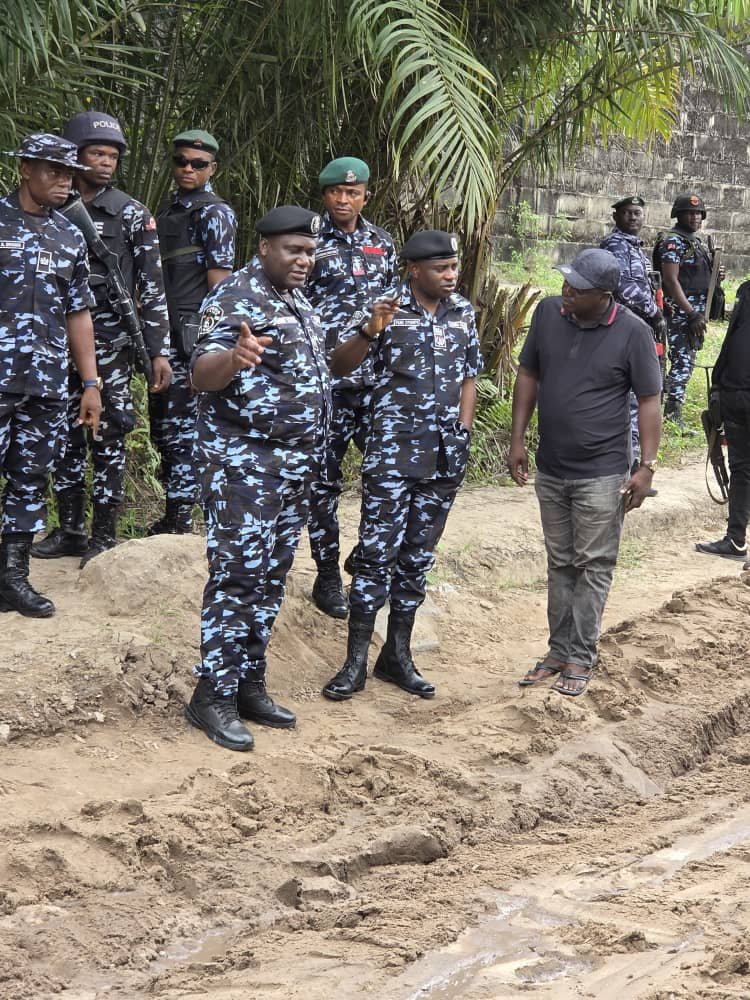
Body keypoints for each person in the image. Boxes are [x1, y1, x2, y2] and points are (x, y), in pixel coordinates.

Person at [185, 206, 329, 752]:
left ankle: (248, 684)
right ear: (264, 248)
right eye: (294, 250)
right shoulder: (232, 298)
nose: (304, 260)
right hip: (245, 467)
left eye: (310, 252)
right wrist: (235, 358)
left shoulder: (299, 301)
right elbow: (201, 373)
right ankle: (212, 696)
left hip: (292, 469)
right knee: (237, 578)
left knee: (270, 579)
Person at [321, 230, 480, 703]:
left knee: (416, 559)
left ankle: (397, 655)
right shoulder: (384, 309)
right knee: (375, 557)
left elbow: (471, 373)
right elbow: (338, 366)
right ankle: (354, 664)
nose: (451, 275)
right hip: (392, 454)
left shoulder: (464, 312)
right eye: (441, 268)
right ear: (414, 270)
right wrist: (370, 331)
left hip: (444, 457)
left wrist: (464, 430)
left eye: (454, 267)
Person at [509, 249, 662, 696]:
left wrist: (646, 467)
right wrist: (518, 441)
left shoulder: (633, 332)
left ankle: (581, 656)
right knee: (559, 563)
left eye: (578, 288)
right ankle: (557, 652)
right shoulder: (548, 314)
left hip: (602, 472)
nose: (566, 291)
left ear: (604, 296)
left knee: (593, 564)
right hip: (552, 467)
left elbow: (649, 401)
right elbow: (528, 374)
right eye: (566, 282)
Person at [32, 111, 171, 567]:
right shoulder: (45, 205)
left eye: (112, 155)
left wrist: (157, 350)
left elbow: (151, 287)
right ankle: (70, 529)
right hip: (51, 343)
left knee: (108, 436)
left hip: (109, 344)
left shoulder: (132, 213)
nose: (106, 163)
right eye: (97, 153)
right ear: (74, 156)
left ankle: (104, 535)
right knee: (62, 435)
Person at [0, 134, 102, 617]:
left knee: (29, 478)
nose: (64, 181)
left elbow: (78, 313)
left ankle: (13, 579)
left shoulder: (70, 236)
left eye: (69, 173)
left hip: (44, 384)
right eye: (53, 171)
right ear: (25, 169)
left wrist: (90, 383)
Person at [304, 156, 398, 619]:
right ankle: (325, 576)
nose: (344, 200)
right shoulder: (308, 241)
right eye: (336, 193)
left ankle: (366, 558)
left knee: (385, 477)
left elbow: (394, 306)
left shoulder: (383, 244)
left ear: (365, 194)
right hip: (326, 383)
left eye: (353, 192)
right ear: (325, 195)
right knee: (322, 483)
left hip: (374, 383)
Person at [148, 129, 236, 535]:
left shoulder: (213, 212)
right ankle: (174, 511)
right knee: (164, 425)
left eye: (198, 164)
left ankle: (181, 519)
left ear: (212, 168)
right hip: (163, 331)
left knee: (183, 428)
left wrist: (212, 342)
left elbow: (220, 285)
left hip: (191, 334)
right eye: (181, 162)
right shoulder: (172, 210)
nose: (188, 168)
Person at [600, 194, 667, 489]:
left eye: (638, 213)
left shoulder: (636, 248)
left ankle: (633, 465)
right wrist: (655, 313)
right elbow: (622, 286)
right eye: (627, 213)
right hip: (622, 328)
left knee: (641, 398)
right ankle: (628, 470)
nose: (633, 218)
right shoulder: (615, 245)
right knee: (631, 400)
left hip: (638, 327)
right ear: (616, 216)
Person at [696, 279, 750, 560]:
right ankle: (736, 540)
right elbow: (731, 340)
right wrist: (718, 384)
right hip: (735, 393)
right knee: (741, 468)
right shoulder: (746, 290)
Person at [654, 193, 716, 430]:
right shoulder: (673, 241)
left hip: (695, 313)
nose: (695, 217)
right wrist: (691, 313)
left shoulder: (695, 242)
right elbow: (670, 280)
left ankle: (666, 404)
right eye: (690, 213)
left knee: (687, 361)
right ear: (678, 215)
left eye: (699, 213)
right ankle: (671, 414)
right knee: (682, 362)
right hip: (681, 313)